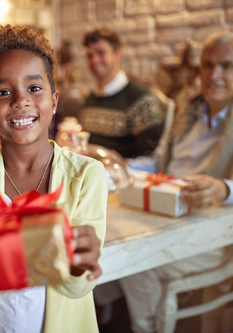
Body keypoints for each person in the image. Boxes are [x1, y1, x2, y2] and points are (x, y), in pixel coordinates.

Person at [0, 24, 108, 332]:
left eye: (34, 88)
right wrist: (54, 252)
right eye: (3, 92)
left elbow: (77, 289)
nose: (20, 101)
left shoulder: (87, 176)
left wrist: (78, 265)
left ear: (53, 100)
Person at [119, 31, 233, 333]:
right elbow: (158, 162)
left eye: (227, 66)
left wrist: (224, 188)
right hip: (164, 215)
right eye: (207, 65)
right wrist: (121, 166)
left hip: (212, 233)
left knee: (133, 263)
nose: (214, 75)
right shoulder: (189, 108)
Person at [78, 27, 164, 158]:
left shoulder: (141, 100)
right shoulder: (90, 98)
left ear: (118, 55)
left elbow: (153, 159)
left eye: (101, 53)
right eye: (90, 55)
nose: (94, 61)